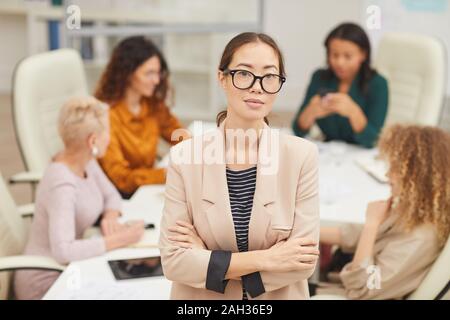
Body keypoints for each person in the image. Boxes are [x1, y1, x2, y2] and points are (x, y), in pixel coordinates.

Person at [159, 32, 320, 300]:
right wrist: (269, 259)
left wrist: (208, 259)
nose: (258, 87)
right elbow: (174, 262)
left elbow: (302, 262)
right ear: (222, 78)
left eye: (270, 76)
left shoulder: (301, 156)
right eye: (244, 74)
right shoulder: (185, 157)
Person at [14, 97, 145, 300]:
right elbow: (63, 251)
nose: (110, 139)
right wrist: (120, 239)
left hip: (72, 268)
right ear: (92, 141)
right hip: (47, 282)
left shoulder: (85, 161)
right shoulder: (62, 184)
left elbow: (112, 195)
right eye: (107, 133)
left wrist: (110, 217)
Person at [318, 124, 450, 299]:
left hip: (344, 293)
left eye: (395, 168)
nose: (387, 175)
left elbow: (363, 289)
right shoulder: (415, 211)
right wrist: (301, 231)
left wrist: (371, 225)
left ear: (417, 176)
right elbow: (353, 235)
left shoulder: (420, 238)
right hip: (336, 280)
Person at [95, 36, 184, 199]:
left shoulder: (151, 105)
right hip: (120, 198)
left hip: (146, 191)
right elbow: (121, 178)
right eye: (149, 73)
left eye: (158, 73)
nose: (156, 80)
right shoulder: (106, 115)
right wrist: (167, 175)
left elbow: (178, 133)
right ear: (128, 74)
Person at [292, 22, 388, 148]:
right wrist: (311, 112)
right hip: (328, 154)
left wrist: (354, 113)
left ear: (363, 54)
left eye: (348, 56)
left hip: (361, 156)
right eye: (334, 55)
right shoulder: (319, 78)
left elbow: (373, 140)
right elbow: (297, 130)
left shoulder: (378, 84)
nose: (339, 63)